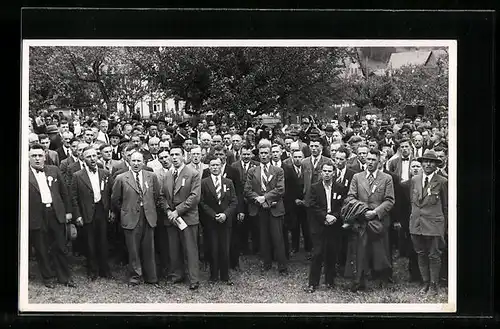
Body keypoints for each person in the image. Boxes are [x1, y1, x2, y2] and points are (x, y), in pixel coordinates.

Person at [345, 149, 395, 292]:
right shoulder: (357, 177)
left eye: (373, 160)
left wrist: (375, 212)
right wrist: (363, 210)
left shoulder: (386, 178)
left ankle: (382, 279)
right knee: (360, 250)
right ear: (364, 160)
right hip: (361, 219)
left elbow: (390, 200)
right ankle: (359, 280)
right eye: (368, 159)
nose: (370, 162)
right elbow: (350, 197)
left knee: (381, 251)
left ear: (379, 161)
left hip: (379, 220)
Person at [28, 144, 76, 288]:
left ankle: (64, 277)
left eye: (40, 155)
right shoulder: (24, 174)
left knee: (61, 246)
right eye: (34, 156)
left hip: (55, 213)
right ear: (28, 158)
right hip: (36, 215)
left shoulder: (54, 170)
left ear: (45, 156)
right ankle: (48, 277)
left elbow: (64, 192)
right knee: (41, 248)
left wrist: (68, 212)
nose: (37, 159)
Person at [111, 151, 161, 286]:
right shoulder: (121, 178)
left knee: (148, 247)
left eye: (139, 161)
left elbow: (156, 195)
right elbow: (115, 199)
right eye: (133, 161)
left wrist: (148, 207)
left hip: (148, 216)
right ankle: (135, 276)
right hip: (131, 217)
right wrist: (126, 209)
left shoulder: (151, 176)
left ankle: (151, 276)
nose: (136, 164)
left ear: (143, 162)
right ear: (129, 161)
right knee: (133, 248)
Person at [159, 146, 202, 290]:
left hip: (187, 217)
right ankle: (177, 275)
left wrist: (177, 211)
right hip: (171, 218)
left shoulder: (193, 173)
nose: (174, 157)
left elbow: (194, 197)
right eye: (172, 155)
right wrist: (168, 211)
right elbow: (162, 196)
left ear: (184, 156)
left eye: (177, 154)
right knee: (174, 248)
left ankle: (193, 279)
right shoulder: (168, 174)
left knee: (190, 249)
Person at [244, 139, 288, 275]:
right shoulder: (252, 171)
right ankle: (266, 263)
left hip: (275, 207)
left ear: (270, 154)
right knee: (263, 237)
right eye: (261, 153)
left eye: (266, 153)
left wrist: (266, 197)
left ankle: (282, 266)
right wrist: (258, 199)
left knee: (278, 238)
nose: (264, 155)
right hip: (260, 208)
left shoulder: (278, 170)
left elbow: (280, 189)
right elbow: (247, 190)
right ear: (258, 155)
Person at [409, 149, 448, 296]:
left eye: (431, 161)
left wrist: (445, 227)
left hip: (434, 225)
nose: (428, 164)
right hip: (417, 224)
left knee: (434, 255)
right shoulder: (414, 180)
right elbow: (412, 201)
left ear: (436, 164)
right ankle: (425, 282)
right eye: (425, 161)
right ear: (421, 163)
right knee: (421, 253)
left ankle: (434, 284)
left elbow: (445, 206)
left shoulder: (443, 181)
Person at [71, 146, 113, 281]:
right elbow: (74, 197)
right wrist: (77, 215)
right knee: (90, 242)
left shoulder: (105, 173)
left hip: (102, 209)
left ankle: (104, 269)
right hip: (87, 211)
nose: (92, 159)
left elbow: (110, 193)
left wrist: (111, 210)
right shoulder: (77, 176)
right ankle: (92, 270)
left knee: (103, 241)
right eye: (89, 156)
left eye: (94, 156)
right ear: (83, 158)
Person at [306, 163, 344, 292]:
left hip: (334, 225)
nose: (327, 173)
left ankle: (330, 281)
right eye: (325, 171)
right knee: (317, 253)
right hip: (319, 225)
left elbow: (342, 206)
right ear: (321, 173)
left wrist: (334, 216)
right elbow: (312, 205)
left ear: (334, 173)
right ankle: (313, 283)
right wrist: (325, 217)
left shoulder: (340, 188)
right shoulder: (314, 188)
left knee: (332, 253)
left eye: (329, 171)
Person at [199, 158, 238, 285]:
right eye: (212, 165)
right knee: (213, 248)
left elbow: (234, 201)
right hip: (211, 221)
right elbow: (202, 202)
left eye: (217, 165)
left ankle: (225, 275)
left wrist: (225, 215)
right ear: (209, 167)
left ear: (221, 166)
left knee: (225, 248)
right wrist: (214, 215)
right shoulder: (204, 183)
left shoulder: (228, 182)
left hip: (225, 221)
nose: (215, 167)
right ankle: (213, 275)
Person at [231, 143, 260, 255]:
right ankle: (243, 247)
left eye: (248, 154)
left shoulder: (256, 165)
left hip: (253, 199)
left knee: (255, 224)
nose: (246, 156)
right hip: (240, 198)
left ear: (251, 154)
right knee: (241, 225)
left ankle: (256, 247)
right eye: (244, 154)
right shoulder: (234, 166)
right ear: (240, 154)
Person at [283, 150, 309, 257]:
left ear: (303, 158)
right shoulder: (288, 170)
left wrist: (305, 200)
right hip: (293, 202)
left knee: (306, 226)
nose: (298, 159)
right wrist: (294, 199)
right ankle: (295, 247)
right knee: (294, 226)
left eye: (300, 157)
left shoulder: (307, 169)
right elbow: (287, 188)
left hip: (306, 202)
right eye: (295, 157)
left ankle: (308, 248)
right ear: (292, 158)